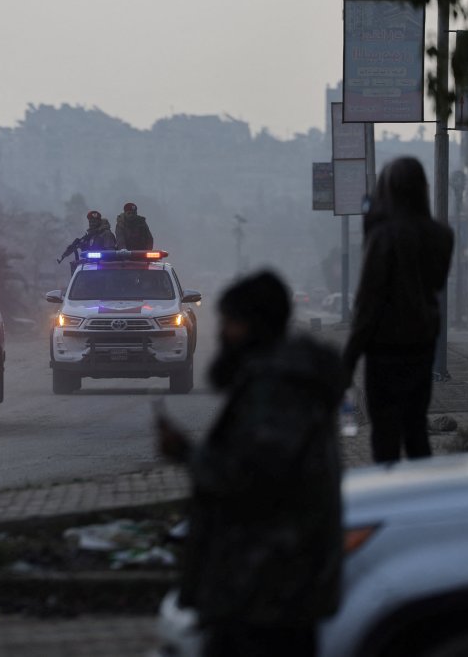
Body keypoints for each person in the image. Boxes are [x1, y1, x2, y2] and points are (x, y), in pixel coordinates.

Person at [157, 271, 343, 657]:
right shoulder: (278, 378)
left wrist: (188, 454)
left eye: (230, 322)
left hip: (267, 587)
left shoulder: (280, 387)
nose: (223, 333)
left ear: (253, 325)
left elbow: (252, 477)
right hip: (264, 586)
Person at [343, 156, 454, 464]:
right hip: (423, 343)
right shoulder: (442, 235)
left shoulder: (384, 236)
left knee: (386, 434)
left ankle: (390, 494)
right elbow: (433, 281)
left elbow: (369, 301)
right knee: (416, 428)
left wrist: (349, 357)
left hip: (385, 349)